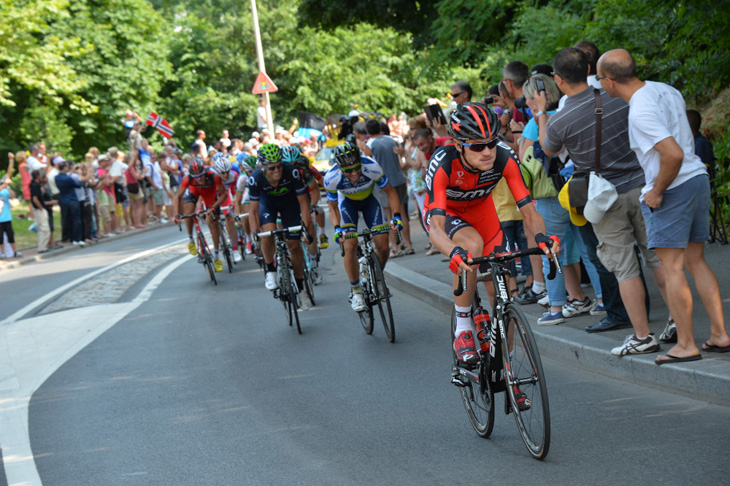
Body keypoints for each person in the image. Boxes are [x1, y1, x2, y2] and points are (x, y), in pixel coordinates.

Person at [598, 48, 730, 363]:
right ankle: (720, 334)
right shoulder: (664, 90)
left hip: (674, 186)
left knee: (671, 268)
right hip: (697, 179)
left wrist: (657, 190)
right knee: (696, 261)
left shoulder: (639, 110)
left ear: (610, 81)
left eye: (601, 80)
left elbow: (672, 154)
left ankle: (686, 344)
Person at [536, 47, 667, 344]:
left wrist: (542, 113)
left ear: (558, 79)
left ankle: (643, 335)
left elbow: (548, 149)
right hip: (644, 187)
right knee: (658, 259)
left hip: (604, 199)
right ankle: (675, 322)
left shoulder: (560, 120)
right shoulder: (619, 98)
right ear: (588, 69)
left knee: (624, 269)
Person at [423, 102, 559, 373]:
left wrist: (542, 237)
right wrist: (453, 252)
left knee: (503, 290)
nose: (486, 151)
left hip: (482, 212)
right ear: (459, 144)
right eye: (476, 146)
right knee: (471, 246)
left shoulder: (504, 157)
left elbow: (528, 210)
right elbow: (436, 227)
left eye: (491, 143)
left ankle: (504, 368)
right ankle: (463, 328)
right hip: (446, 215)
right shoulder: (443, 162)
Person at [324, 142, 403, 312]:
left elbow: (390, 191)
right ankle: (356, 291)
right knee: (350, 245)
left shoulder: (371, 167)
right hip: (347, 205)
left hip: (370, 202)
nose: (354, 173)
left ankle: (377, 277)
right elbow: (332, 206)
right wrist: (337, 228)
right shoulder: (332, 177)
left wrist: (396, 216)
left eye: (356, 168)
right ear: (340, 167)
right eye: (348, 170)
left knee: (383, 247)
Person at [247, 143, 314, 310]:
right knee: (267, 233)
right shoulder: (256, 178)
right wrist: (255, 234)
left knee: (294, 246)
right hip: (267, 204)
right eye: (271, 168)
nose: (277, 171)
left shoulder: (291, 171)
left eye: (279, 166)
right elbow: (253, 212)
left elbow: (304, 204)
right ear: (262, 168)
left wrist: (304, 228)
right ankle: (270, 270)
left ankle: (301, 288)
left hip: (289, 204)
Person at [366, 119, 415, 255]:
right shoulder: (391, 140)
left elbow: (367, 162)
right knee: (402, 213)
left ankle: (395, 247)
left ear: (368, 132)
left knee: (388, 215)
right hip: (398, 179)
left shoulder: (369, 144)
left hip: (383, 183)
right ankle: (408, 244)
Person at [174, 157, 228, 272]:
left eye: (201, 176)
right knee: (188, 213)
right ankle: (190, 240)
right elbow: (178, 197)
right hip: (195, 191)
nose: (199, 179)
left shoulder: (214, 176)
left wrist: (213, 207)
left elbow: (224, 194)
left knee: (213, 222)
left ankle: (217, 257)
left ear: (204, 172)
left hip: (210, 195)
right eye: (196, 177)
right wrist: (177, 214)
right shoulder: (187, 179)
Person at [212, 153, 242, 263]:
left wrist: (234, 204)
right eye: (222, 173)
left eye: (227, 172)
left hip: (227, 195)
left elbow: (235, 193)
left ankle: (235, 249)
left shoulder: (234, 175)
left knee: (230, 218)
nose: (225, 175)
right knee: (212, 220)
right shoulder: (213, 176)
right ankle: (218, 243)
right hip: (215, 196)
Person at [54, 161, 85, 246]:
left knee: (69, 219)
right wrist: (79, 175)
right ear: (65, 168)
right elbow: (78, 184)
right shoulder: (68, 178)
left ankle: (71, 238)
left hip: (64, 200)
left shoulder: (56, 178)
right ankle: (77, 238)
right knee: (76, 219)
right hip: (72, 200)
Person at [30, 169, 55, 253]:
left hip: (38, 209)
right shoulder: (35, 186)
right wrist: (41, 207)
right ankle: (42, 247)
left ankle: (42, 246)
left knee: (41, 229)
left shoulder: (34, 185)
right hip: (39, 209)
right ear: (37, 176)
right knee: (45, 229)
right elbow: (35, 199)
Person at [0, 156, 20, 258]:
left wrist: (11, 160)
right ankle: (2, 253)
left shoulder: (4, 189)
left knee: (10, 235)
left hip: (7, 217)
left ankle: (15, 251)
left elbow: (8, 174)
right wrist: (4, 185)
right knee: (0, 238)